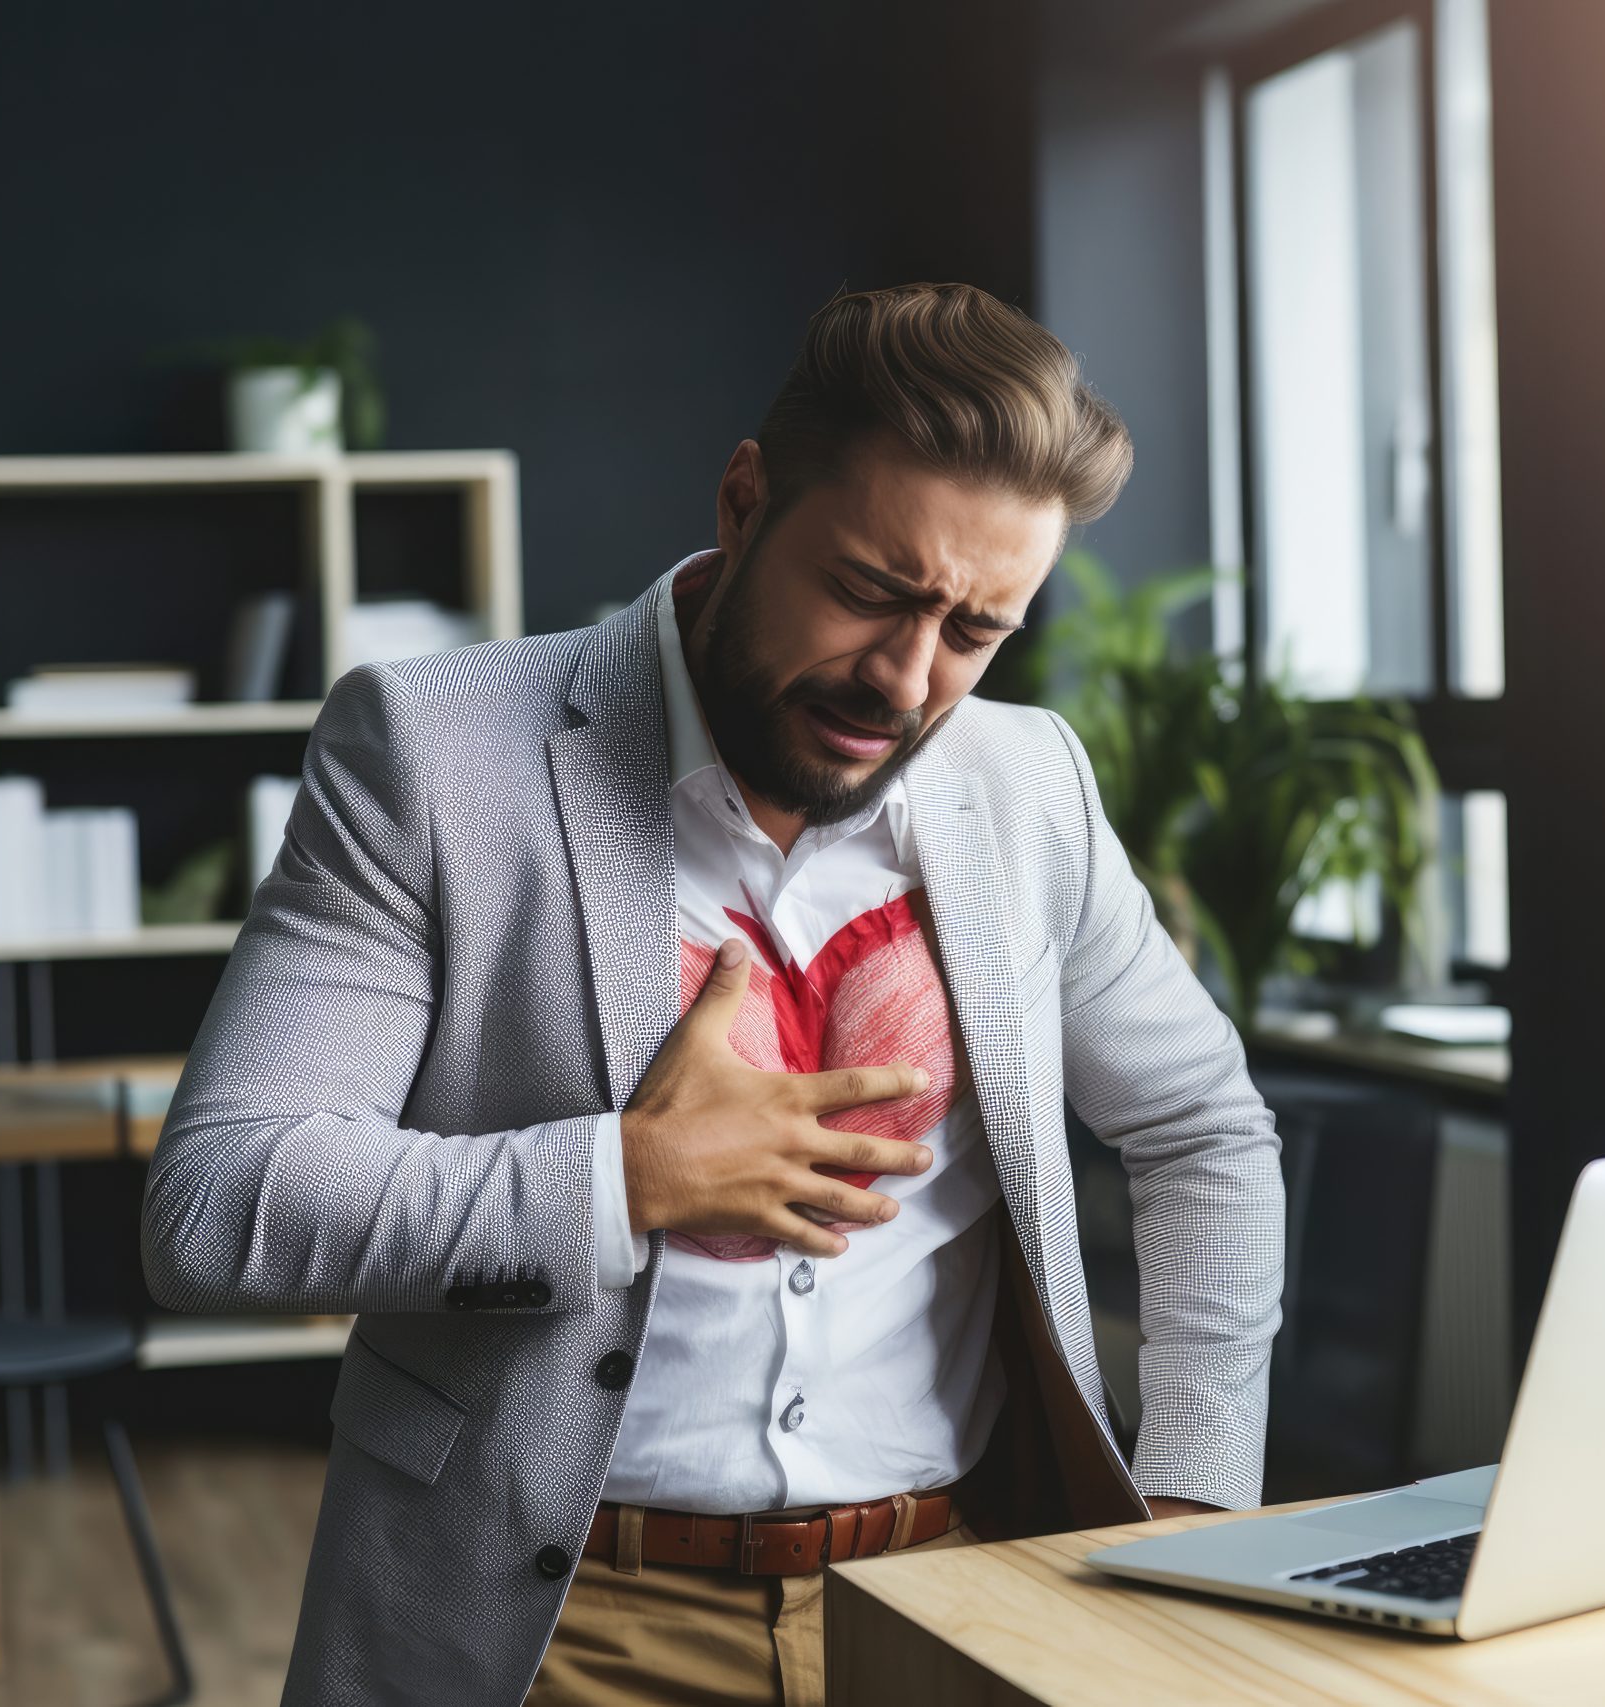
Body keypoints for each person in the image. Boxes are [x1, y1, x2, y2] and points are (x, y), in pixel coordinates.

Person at [143, 281, 1284, 1707]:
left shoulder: (1025, 782)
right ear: (746, 502)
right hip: (565, 1633)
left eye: (976, 630)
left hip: (954, 1605)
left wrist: (1193, 1495)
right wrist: (625, 1177)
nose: (908, 678)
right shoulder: (436, 759)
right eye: (870, 590)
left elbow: (1202, 1129)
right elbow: (218, 1206)